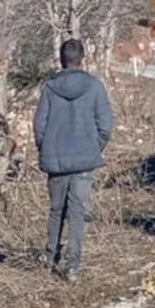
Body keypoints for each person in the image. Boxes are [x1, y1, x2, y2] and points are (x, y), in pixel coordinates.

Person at [32, 38, 115, 282]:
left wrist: (46, 148)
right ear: (83, 58)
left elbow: (39, 125)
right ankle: (72, 266)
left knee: (56, 210)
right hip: (84, 160)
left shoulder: (49, 87)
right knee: (78, 212)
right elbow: (106, 125)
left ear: (60, 60)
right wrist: (93, 147)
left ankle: (50, 256)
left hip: (55, 158)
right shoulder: (95, 86)